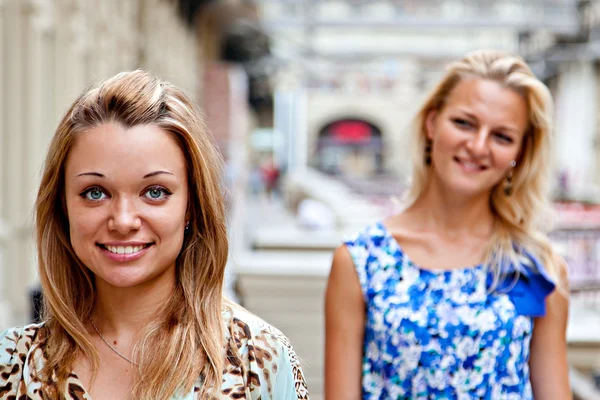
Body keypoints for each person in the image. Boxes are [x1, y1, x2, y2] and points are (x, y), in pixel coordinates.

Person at [0, 70, 309, 400]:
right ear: (62, 206)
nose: (123, 220)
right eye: (95, 193)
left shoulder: (258, 363)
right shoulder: (13, 366)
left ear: (192, 205)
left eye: (155, 192)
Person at [325, 50, 571, 399]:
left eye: (502, 136)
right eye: (464, 123)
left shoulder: (538, 268)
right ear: (431, 123)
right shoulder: (360, 262)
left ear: (520, 152)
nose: (478, 146)